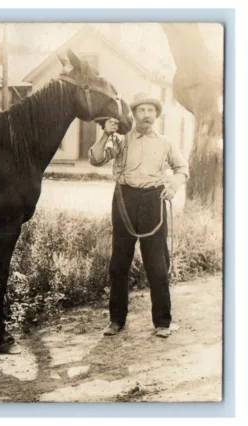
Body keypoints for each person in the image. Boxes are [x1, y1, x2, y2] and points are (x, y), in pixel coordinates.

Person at [88, 92, 190, 339]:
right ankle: (116, 321)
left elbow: (182, 169)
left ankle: (162, 322)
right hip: (124, 200)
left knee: (157, 265)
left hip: (153, 201)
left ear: (156, 115)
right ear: (133, 114)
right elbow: (96, 159)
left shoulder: (165, 142)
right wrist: (105, 134)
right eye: (142, 111)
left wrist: (173, 186)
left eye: (151, 111)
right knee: (119, 263)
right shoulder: (120, 141)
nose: (146, 115)